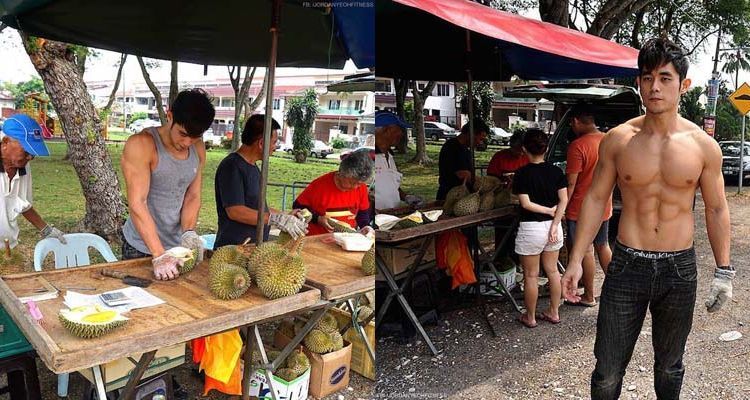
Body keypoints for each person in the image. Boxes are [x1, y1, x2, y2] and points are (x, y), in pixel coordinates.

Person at [561, 38, 733, 399]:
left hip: (679, 270)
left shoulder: (703, 146)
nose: (654, 87)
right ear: (638, 82)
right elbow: (596, 197)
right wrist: (577, 258)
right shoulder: (618, 140)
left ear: (683, 85)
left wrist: (723, 272)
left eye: (665, 78)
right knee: (607, 374)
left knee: (670, 368)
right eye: (646, 77)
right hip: (627, 265)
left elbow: (717, 208)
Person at [121, 89, 214, 281]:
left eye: (195, 136)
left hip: (177, 246)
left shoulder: (197, 148)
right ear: (169, 116)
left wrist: (188, 232)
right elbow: (138, 202)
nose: (187, 142)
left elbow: (193, 195)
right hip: (141, 247)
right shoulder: (142, 145)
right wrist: (158, 253)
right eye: (183, 134)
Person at [214, 114, 308, 248]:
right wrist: (273, 219)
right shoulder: (232, 167)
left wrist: (285, 215)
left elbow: (258, 208)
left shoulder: (253, 167)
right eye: (274, 142)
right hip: (233, 250)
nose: (275, 147)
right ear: (261, 143)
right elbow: (235, 211)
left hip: (254, 247)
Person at [512, 129, 567, 328]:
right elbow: (564, 200)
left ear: (524, 148)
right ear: (546, 148)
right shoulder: (556, 171)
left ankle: (531, 317)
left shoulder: (521, 174)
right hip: (554, 228)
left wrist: (547, 212)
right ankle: (554, 311)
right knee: (553, 271)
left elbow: (525, 204)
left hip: (531, 229)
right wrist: (554, 221)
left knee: (531, 275)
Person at [564, 107, 613, 307]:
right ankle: (614, 291)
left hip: (580, 208)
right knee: (603, 245)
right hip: (604, 206)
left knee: (585, 251)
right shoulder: (609, 140)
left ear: (576, 121)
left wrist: (561, 208)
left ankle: (589, 295)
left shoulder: (577, 146)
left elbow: (571, 184)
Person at [0, 114, 66, 248]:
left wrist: (46, 229)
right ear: (6, 142)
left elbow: (22, 203)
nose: (30, 157)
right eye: (26, 151)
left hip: (7, 246)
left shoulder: (22, 165)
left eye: (33, 152)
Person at [294, 149, 373, 236]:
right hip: (317, 239)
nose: (355, 187)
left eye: (359, 183)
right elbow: (298, 206)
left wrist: (366, 226)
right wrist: (317, 218)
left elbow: (362, 213)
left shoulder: (361, 188)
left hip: (346, 239)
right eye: (352, 182)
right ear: (341, 174)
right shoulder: (319, 186)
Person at [374, 111, 423, 211]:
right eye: (399, 130)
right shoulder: (370, 157)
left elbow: (391, 185)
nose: (401, 134)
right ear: (386, 130)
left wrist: (406, 197)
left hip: (391, 216)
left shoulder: (390, 156)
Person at [436, 119, 489, 200]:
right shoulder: (452, 147)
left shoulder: (465, 150)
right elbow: (463, 174)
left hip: (462, 195)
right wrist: (483, 184)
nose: (479, 142)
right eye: (480, 139)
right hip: (450, 196)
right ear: (471, 133)